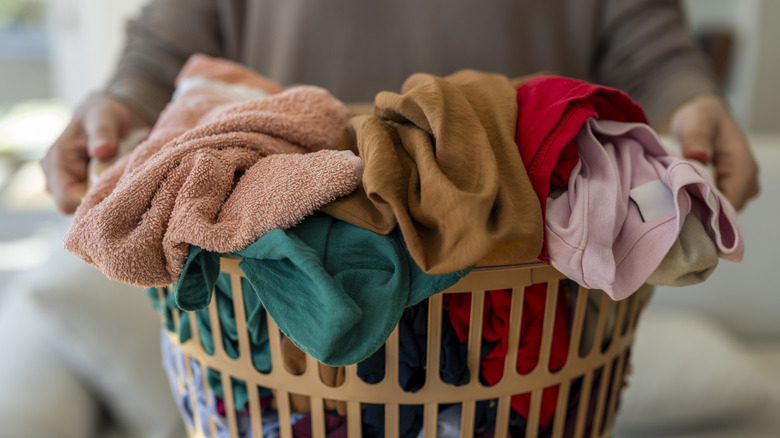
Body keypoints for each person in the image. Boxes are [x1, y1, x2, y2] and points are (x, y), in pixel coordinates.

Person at [42, 0, 759, 213]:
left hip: (528, 267)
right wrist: (118, 106)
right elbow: (168, 45)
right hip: (279, 261)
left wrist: (691, 101)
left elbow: (647, 39)